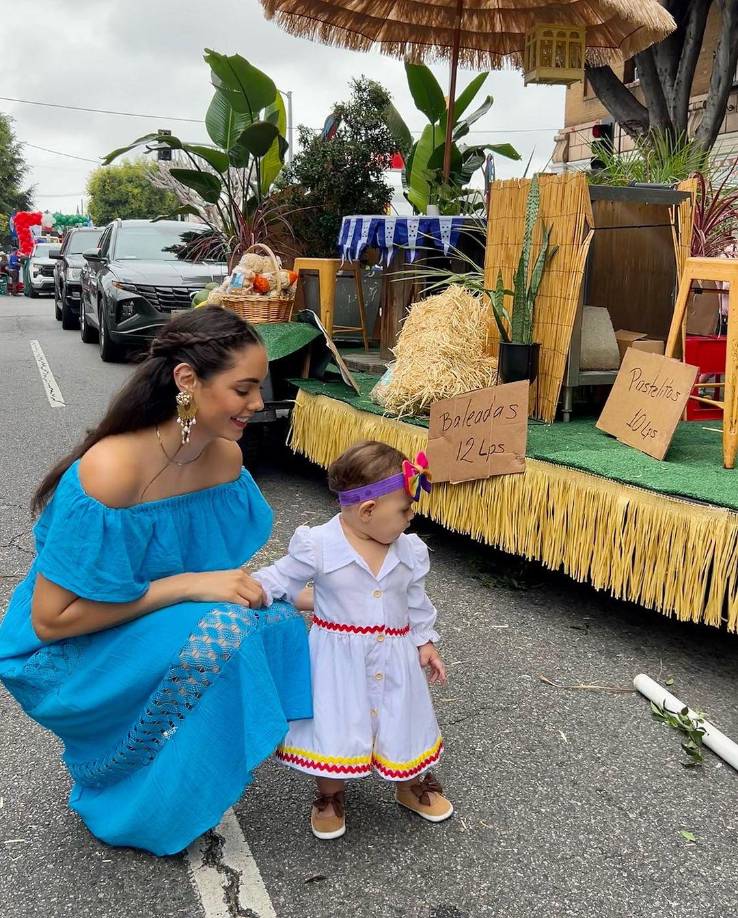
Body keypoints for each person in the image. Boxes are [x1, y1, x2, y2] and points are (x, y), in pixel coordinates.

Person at [0, 307, 313, 855]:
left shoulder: (223, 459)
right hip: (64, 652)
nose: (258, 403)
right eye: (243, 389)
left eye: (258, 388)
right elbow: (50, 621)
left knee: (277, 620)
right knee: (225, 631)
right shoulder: (113, 468)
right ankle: (127, 795)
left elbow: (215, 576)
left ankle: (177, 776)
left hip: (143, 621)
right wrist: (189, 586)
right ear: (188, 381)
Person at [254, 440, 453, 840]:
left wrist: (425, 642)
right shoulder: (319, 545)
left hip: (395, 655)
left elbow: (415, 601)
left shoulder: (408, 550)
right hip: (336, 660)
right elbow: (280, 580)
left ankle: (409, 784)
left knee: (403, 718)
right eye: (404, 509)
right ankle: (330, 793)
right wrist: (248, 590)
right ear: (367, 510)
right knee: (335, 722)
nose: (411, 517)